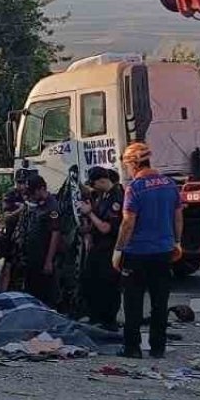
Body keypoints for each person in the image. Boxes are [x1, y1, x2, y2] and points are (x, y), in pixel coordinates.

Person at [112, 142, 182, 359]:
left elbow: (128, 223)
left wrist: (118, 249)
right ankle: (157, 347)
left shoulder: (135, 188)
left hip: (137, 254)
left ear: (133, 163)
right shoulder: (170, 184)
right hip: (163, 252)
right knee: (159, 303)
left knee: (133, 304)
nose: (126, 170)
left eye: (126, 165)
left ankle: (132, 348)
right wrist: (177, 241)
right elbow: (178, 216)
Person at [79, 166, 123, 330]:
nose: (92, 187)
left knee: (108, 286)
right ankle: (95, 316)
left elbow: (106, 228)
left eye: (93, 183)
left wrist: (90, 213)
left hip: (110, 248)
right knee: (90, 281)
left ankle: (108, 321)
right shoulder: (102, 197)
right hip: (98, 247)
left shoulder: (116, 198)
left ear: (102, 180)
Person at [20, 174, 62, 307]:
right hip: (33, 257)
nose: (31, 196)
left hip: (44, 257)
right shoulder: (36, 204)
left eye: (33, 192)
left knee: (46, 295)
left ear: (41, 189)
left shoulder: (52, 206)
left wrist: (49, 261)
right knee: (32, 292)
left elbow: (55, 234)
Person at [0, 169, 32, 292]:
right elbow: (6, 216)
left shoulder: (31, 194)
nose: (21, 186)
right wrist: (20, 210)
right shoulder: (10, 195)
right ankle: (2, 293)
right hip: (12, 236)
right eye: (19, 182)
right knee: (8, 266)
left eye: (23, 182)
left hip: (27, 237)